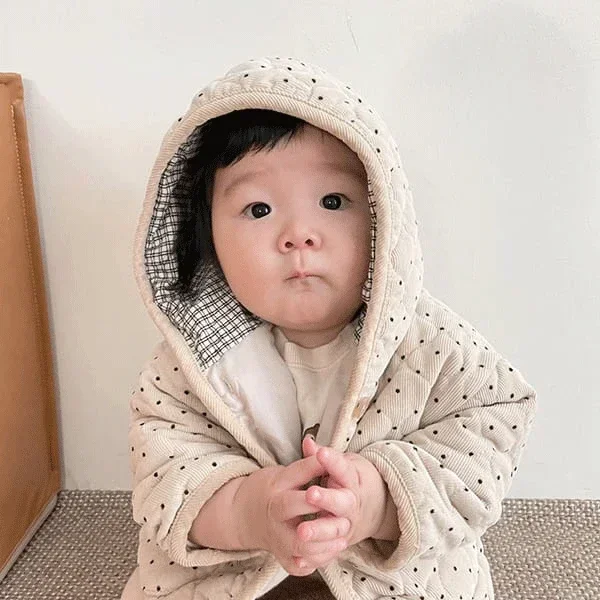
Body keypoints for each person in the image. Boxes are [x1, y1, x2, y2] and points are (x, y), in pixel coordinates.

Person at [121, 56, 538, 600]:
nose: (299, 234)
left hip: (394, 575)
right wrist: (247, 510)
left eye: (333, 202)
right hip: (238, 574)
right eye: (258, 209)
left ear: (381, 219)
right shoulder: (190, 362)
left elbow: (491, 426)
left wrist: (379, 498)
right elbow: (164, 480)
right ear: (207, 241)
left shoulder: (431, 345)